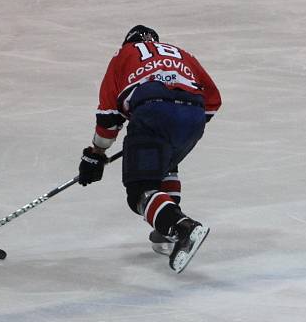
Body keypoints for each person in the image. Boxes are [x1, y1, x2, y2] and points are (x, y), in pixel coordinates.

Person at [77, 25, 221, 272]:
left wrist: (97, 153)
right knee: (163, 162)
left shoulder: (124, 55)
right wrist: (182, 120)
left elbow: (109, 115)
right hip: (193, 116)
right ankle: (165, 232)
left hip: (153, 112)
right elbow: (213, 100)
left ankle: (181, 227)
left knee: (139, 191)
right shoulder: (180, 53)